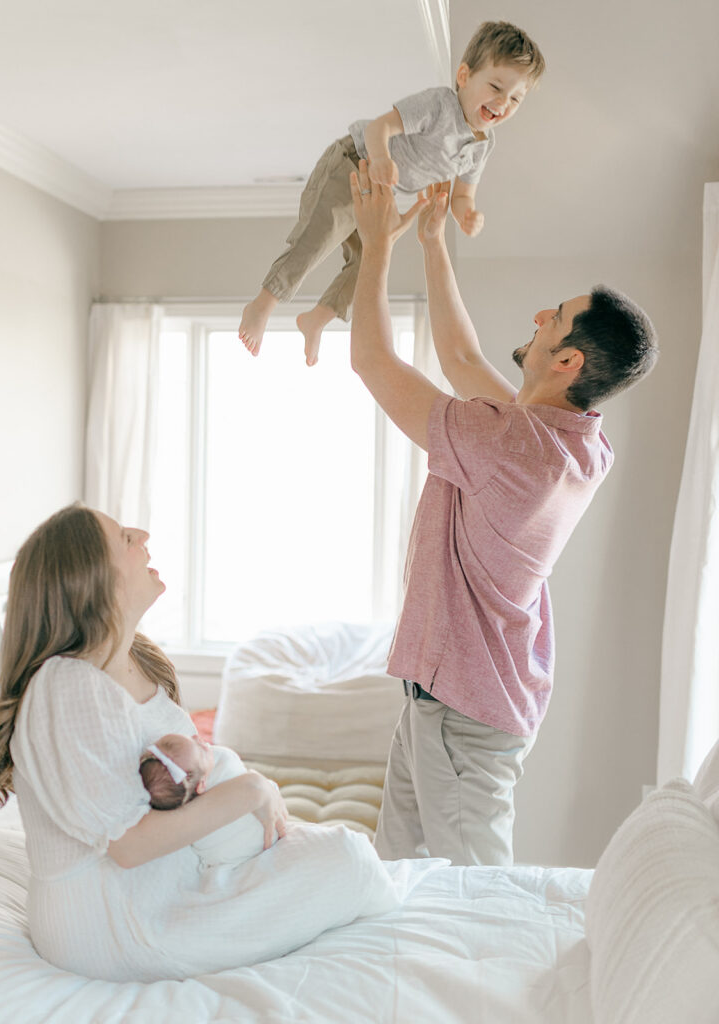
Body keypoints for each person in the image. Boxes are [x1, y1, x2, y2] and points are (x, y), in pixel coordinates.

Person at [347, 163, 658, 867]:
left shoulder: (513, 443)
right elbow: (460, 356)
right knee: (396, 871)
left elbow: (371, 361)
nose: (540, 318)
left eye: (554, 317)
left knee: (475, 894)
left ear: (568, 360)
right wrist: (431, 243)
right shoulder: (575, 441)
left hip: (463, 707)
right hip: (452, 697)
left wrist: (376, 246)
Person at [0, 504, 398, 982]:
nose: (142, 533)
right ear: (91, 578)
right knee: (350, 861)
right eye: (123, 539)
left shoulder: (135, 660)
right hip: (115, 924)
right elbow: (128, 847)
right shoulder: (67, 684)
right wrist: (251, 790)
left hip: (171, 883)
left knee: (343, 854)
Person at [238, 20, 545, 366]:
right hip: (353, 164)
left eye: (516, 99)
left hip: (377, 194)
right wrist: (381, 158)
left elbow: (463, 196)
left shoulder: (482, 146)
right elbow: (378, 127)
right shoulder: (440, 105)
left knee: (372, 260)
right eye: (496, 87)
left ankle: (318, 319)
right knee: (319, 238)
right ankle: (263, 304)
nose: (503, 102)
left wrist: (466, 214)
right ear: (463, 76)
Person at [140, 732, 269, 865]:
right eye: (202, 751)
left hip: (223, 861)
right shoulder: (224, 762)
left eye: (191, 739)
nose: (197, 738)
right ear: (201, 785)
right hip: (262, 841)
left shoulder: (179, 804)